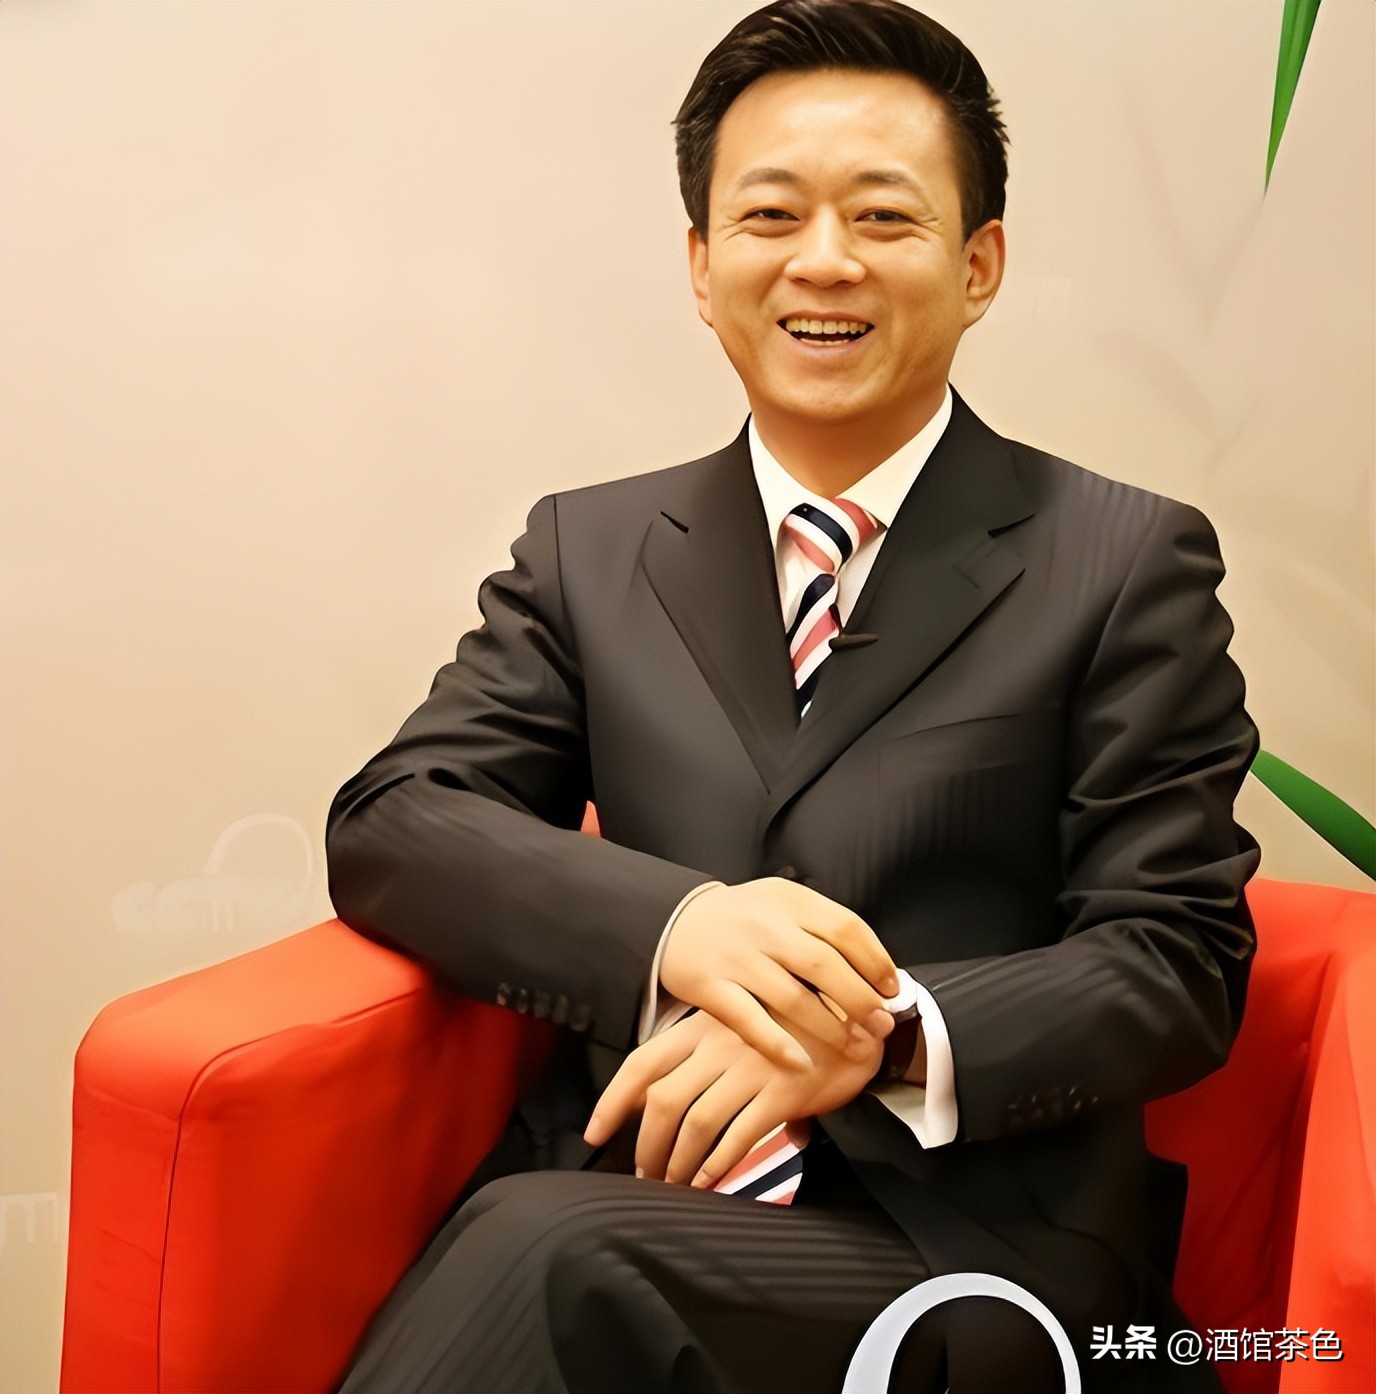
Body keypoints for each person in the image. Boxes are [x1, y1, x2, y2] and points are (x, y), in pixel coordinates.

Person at [326, 2, 1259, 1390]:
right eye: (769, 216)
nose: (823, 260)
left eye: (883, 217)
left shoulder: (1122, 559)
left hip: (966, 1255)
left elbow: (1174, 959)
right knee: (550, 1244)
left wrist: (875, 1038)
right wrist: (681, 927)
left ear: (979, 263)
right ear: (703, 268)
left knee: (547, 1255)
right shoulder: (593, 549)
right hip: (642, 1187)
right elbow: (399, 818)